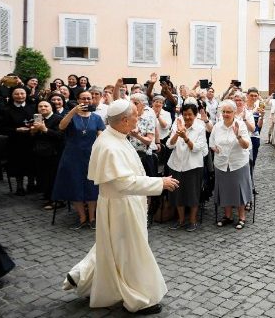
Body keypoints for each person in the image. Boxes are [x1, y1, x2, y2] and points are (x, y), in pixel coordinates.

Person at [62, 99, 180, 315]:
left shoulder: (114, 136)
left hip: (123, 204)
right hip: (121, 206)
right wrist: (159, 183)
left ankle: (82, 274)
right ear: (125, 120)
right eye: (136, 114)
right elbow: (121, 183)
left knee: (112, 247)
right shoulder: (109, 145)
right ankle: (139, 299)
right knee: (130, 253)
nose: (139, 117)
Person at [52, 90, 106, 229]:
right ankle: (82, 217)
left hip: (91, 156)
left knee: (91, 186)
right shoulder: (71, 115)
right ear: (78, 100)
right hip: (72, 156)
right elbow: (61, 126)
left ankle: (92, 218)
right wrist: (73, 112)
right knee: (75, 184)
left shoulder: (96, 118)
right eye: (84, 98)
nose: (87, 101)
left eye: (89, 98)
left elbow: (101, 137)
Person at [210, 100, 252, 230]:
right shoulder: (217, 126)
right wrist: (215, 149)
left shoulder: (240, 125)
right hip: (221, 163)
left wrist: (238, 136)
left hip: (238, 163)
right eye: (223, 112)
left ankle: (242, 217)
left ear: (234, 112)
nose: (226, 114)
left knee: (239, 190)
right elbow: (211, 142)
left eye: (228, 112)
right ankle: (227, 216)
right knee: (224, 190)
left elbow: (247, 145)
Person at [166, 103, 209, 231]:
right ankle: (180, 220)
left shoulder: (200, 128)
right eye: (185, 114)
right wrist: (177, 134)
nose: (187, 117)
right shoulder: (177, 124)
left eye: (190, 114)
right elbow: (169, 145)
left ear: (195, 115)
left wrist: (185, 137)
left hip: (193, 166)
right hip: (176, 164)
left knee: (193, 193)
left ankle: (192, 220)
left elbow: (196, 148)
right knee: (177, 194)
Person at [0, 87, 35, 195]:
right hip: (15, 141)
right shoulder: (6, 110)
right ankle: (19, 187)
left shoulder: (32, 107)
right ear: (12, 95)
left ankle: (31, 184)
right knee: (18, 164)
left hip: (31, 140)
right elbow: (1, 128)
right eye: (16, 94)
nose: (20, 96)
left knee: (32, 163)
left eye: (22, 93)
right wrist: (16, 129)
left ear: (26, 95)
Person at [30, 100, 63, 209]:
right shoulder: (37, 119)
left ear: (51, 107)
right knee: (43, 176)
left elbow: (60, 136)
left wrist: (44, 129)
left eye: (46, 106)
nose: (43, 108)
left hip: (54, 153)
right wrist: (33, 132)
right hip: (40, 152)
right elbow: (34, 138)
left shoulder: (58, 119)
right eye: (40, 106)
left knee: (53, 177)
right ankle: (48, 196)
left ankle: (57, 201)